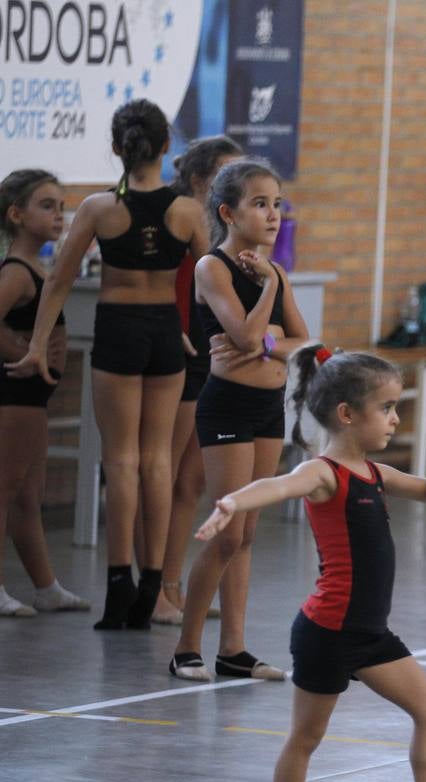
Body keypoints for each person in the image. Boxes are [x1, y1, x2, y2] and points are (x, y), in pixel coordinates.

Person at [194, 347, 426, 782]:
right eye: (387, 408)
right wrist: (235, 502)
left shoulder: (372, 471)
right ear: (347, 414)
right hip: (327, 631)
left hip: (370, 635)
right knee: (305, 739)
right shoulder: (322, 472)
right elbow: (277, 485)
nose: (396, 419)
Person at [7, 100, 209, 629]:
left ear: (117, 148)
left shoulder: (100, 208)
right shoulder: (187, 211)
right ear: (166, 147)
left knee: (120, 460)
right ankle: (155, 582)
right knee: (158, 460)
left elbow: (60, 277)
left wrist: (37, 342)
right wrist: (194, 333)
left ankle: (120, 581)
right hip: (166, 332)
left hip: (119, 330)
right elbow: (211, 279)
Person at [170, 158, 309, 682]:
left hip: (268, 410)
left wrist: (270, 341)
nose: (272, 215)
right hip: (226, 403)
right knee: (226, 531)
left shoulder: (277, 270)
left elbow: (304, 342)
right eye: (259, 204)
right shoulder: (212, 268)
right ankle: (185, 645)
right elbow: (248, 338)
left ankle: (234, 648)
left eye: (276, 204)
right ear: (228, 212)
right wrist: (269, 298)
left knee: (247, 534)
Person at [147, 136, 244, 625]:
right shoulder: (184, 218)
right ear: (203, 181)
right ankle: (159, 587)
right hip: (183, 352)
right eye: (229, 174)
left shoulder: (224, 235)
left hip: (211, 356)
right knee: (164, 472)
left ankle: (175, 585)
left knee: (192, 480)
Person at [0, 169, 87, 616]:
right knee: (5, 488)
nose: (59, 215)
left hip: (33, 397)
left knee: (27, 497)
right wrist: (21, 347)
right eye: (47, 206)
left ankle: (45, 586)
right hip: (14, 396)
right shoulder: (16, 272)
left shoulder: (40, 269)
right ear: (16, 215)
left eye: (62, 206)